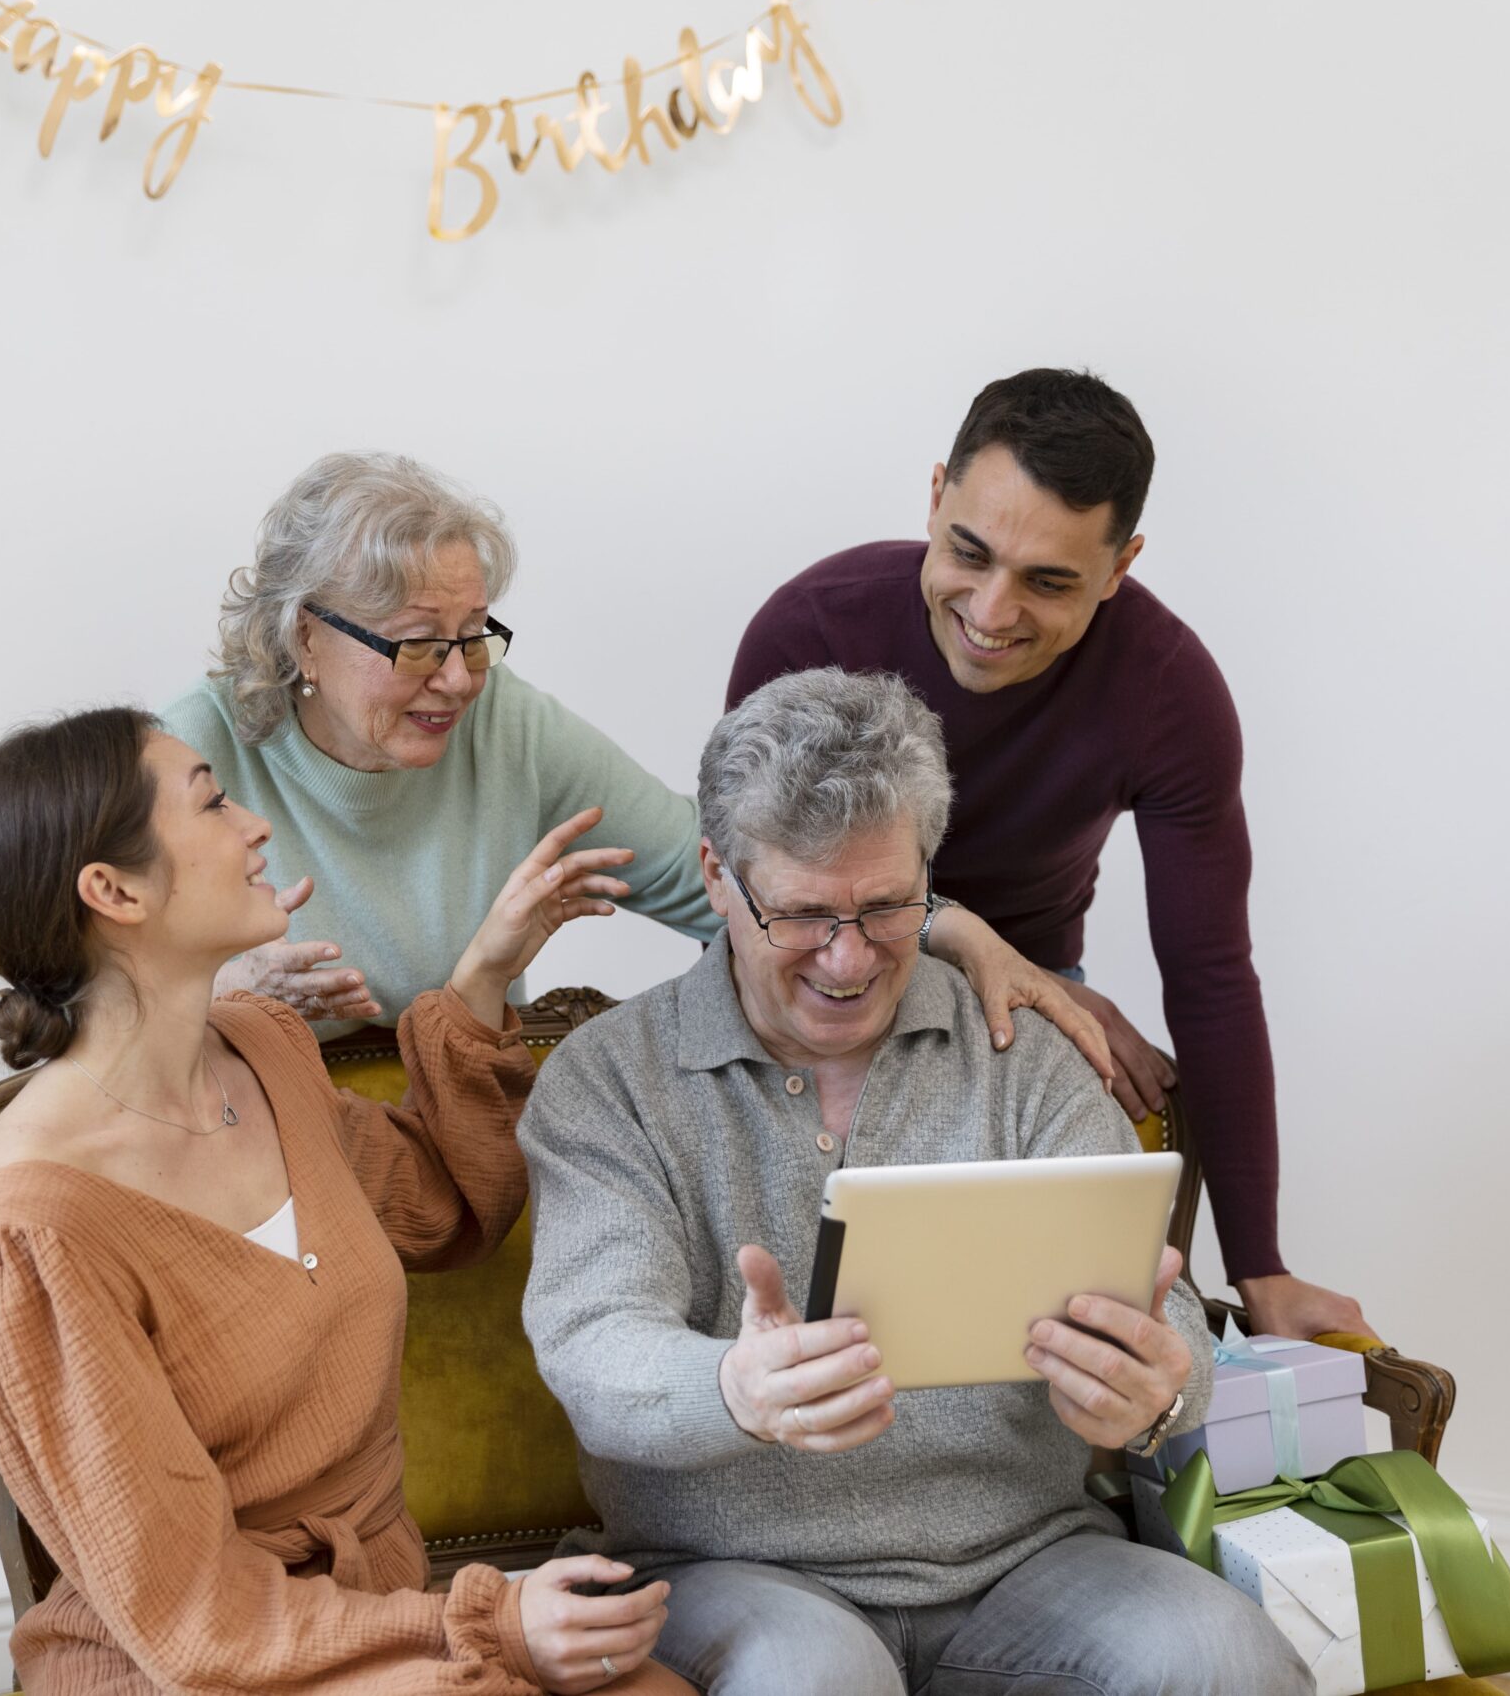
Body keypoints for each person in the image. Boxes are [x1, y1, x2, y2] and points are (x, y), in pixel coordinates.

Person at [520, 670, 1307, 1695]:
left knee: (1223, 1659)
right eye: (801, 915)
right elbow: (594, 1351)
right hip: (734, 1573)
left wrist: (1158, 1392)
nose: (847, 960)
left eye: (888, 907)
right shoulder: (609, 1077)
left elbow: (1172, 1330)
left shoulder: (1023, 1057)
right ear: (716, 875)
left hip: (1032, 1559)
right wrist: (733, 1389)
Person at [0, 706, 686, 1694]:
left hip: (367, 1621)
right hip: (185, 1663)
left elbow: (444, 1202)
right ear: (113, 890)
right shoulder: (32, 1223)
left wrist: (487, 968)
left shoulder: (264, 1051)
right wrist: (492, 1617)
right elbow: (193, 1620)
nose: (254, 826)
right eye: (211, 802)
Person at [726, 370, 1368, 1342]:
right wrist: (977, 950)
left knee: (1058, 1311)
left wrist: (1261, 1266)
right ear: (934, 496)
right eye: (969, 553)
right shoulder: (814, 627)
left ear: (1120, 567)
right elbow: (753, 894)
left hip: (1021, 1010)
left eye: (1049, 581)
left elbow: (1209, 976)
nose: (991, 610)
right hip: (814, 963)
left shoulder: (1168, 693)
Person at [165, 450, 1114, 1075]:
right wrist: (219, 999)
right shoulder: (187, 757)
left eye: (474, 634)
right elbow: (74, 1008)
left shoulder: (507, 728)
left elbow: (721, 878)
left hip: (449, 1142)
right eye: (417, 644)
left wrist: (955, 930)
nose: (457, 679)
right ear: (304, 635)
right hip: (240, 1144)